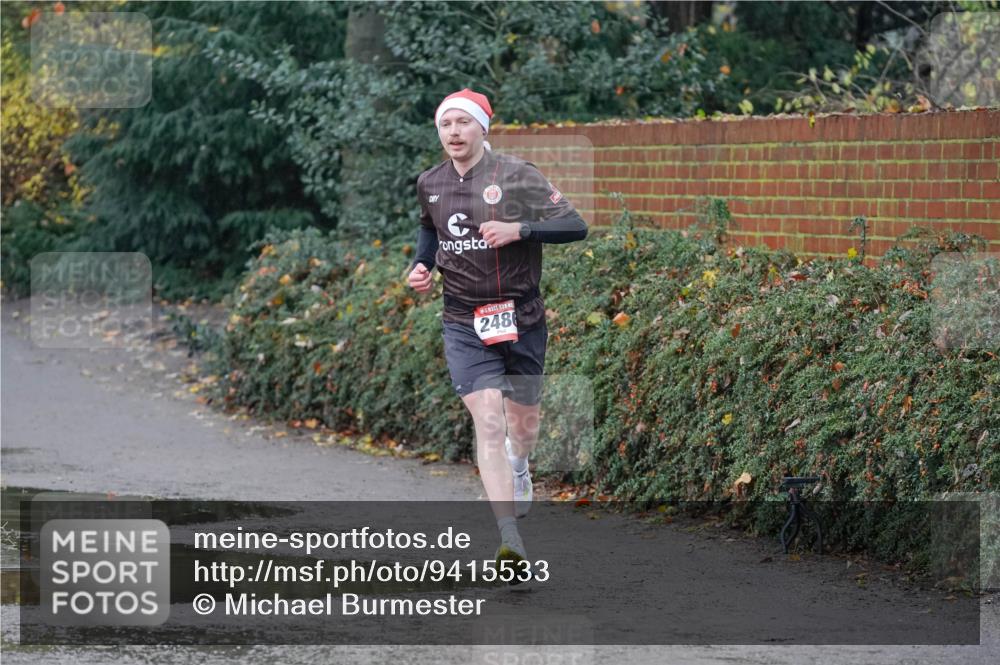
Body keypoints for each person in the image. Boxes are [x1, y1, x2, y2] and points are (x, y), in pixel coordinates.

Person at [406, 89, 587, 572]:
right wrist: (421, 267)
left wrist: (521, 230)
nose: (454, 133)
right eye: (446, 125)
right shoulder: (431, 182)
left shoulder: (517, 175)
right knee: (488, 420)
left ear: (482, 128)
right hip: (463, 319)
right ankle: (510, 539)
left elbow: (575, 226)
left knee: (522, 425)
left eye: (463, 123)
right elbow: (430, 230)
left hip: (522, 317)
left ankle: (520, 464)